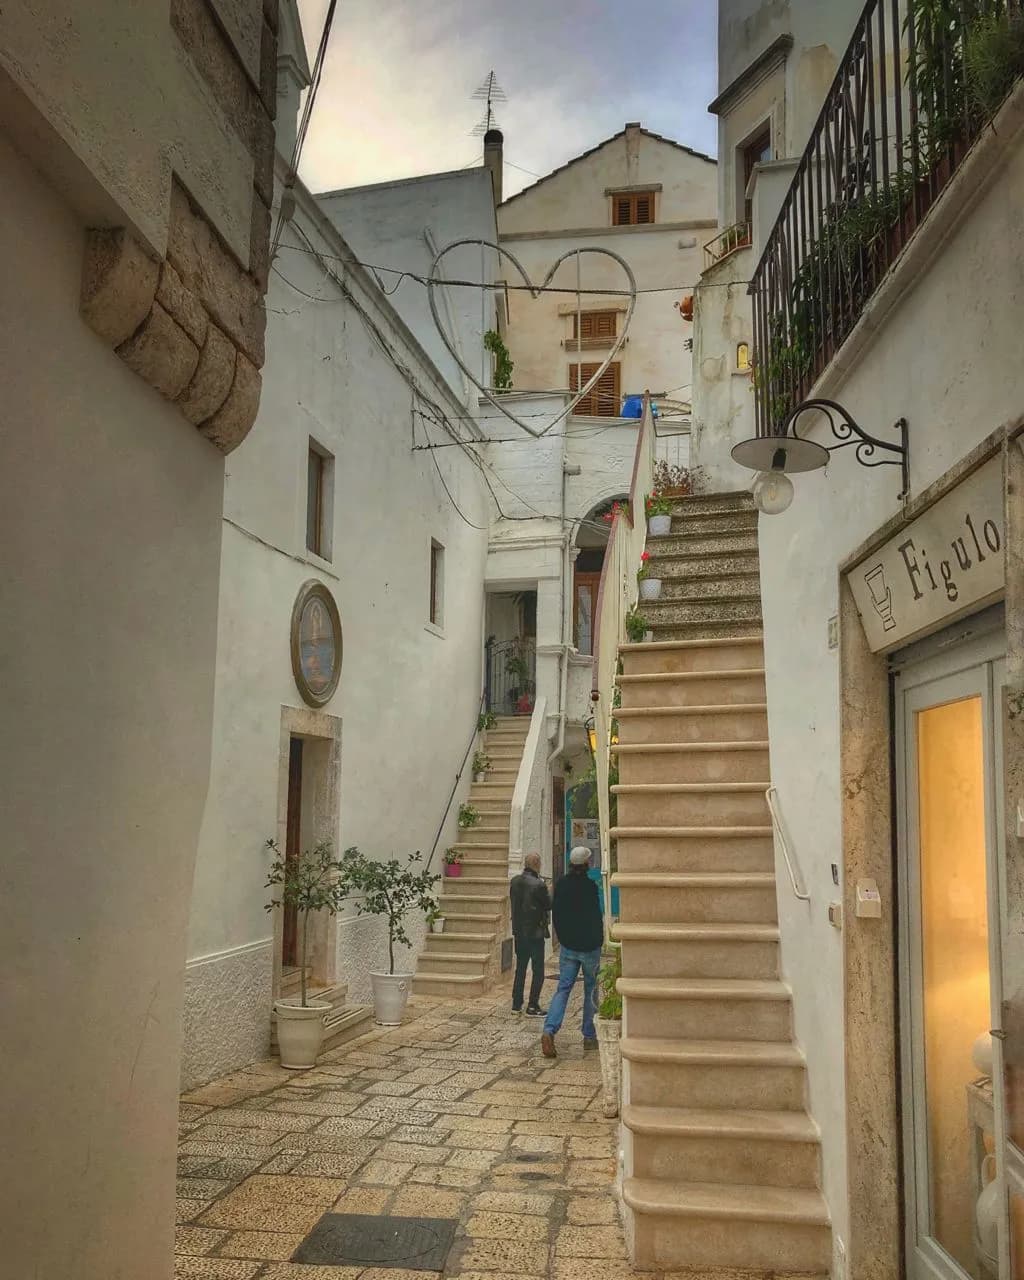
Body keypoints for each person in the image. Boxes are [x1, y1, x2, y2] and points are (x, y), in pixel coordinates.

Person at [541, 846, 604, 1057]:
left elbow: (556, 913)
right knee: (591, 990)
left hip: (569, 946)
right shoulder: (590, 887)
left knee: (563, 989)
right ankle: (588, 1035)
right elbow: (596, 916)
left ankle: (549, 1030)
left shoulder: (561, 885)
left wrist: (564, 938)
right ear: (586, 864)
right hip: (589, 947)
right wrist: (599, 939)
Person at [509, 852, 551, 1016]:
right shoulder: (539, 885)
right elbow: (548, 904)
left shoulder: (514, 881)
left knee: (520, 968)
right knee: (538, 970)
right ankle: (533, 1005)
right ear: (537, 864)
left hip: (519, 931)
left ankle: (516, 1004)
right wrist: (549, 890)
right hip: (535, 932)